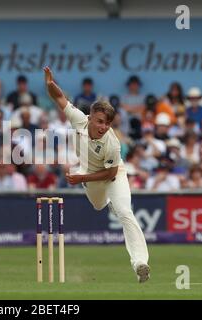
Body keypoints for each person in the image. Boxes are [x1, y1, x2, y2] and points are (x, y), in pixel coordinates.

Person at [44, 66, 150, 283]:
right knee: (98, 205)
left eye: (108, 123)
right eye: (100, 121)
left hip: (113, 173)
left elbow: (110, 172)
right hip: (90, 175)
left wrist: (80, 178)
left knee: (125, 213)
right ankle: (109, 202)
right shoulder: (78, 120)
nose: (103, 127)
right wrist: (49, 84)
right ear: (90, 117)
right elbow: (60, 99)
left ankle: (140, 262)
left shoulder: (112, 143)